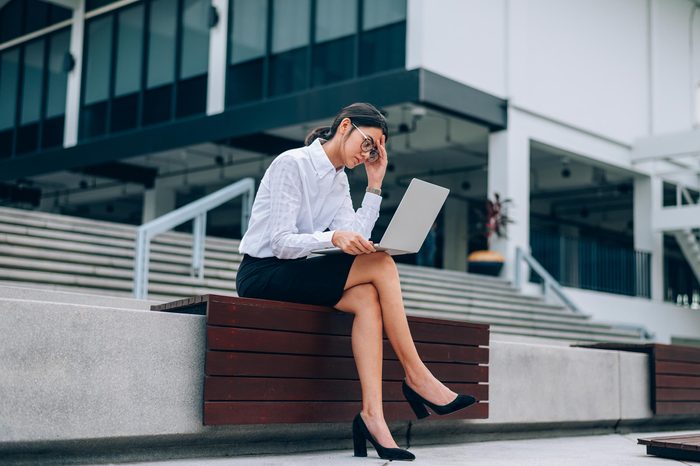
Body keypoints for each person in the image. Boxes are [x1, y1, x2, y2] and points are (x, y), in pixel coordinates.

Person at [236, 103, 476, 461]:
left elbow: (357, 239)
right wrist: (331, 239)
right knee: (381, 265)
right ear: (345, 126)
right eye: (368, 143)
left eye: (377, 149)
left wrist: (375, 185)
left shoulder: (339, 179)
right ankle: (417, 376)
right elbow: (280, 243)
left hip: (299, 271)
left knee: (367, 297)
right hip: (263, 272)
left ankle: (372, 416)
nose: (370, 153)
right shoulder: (293, 163)